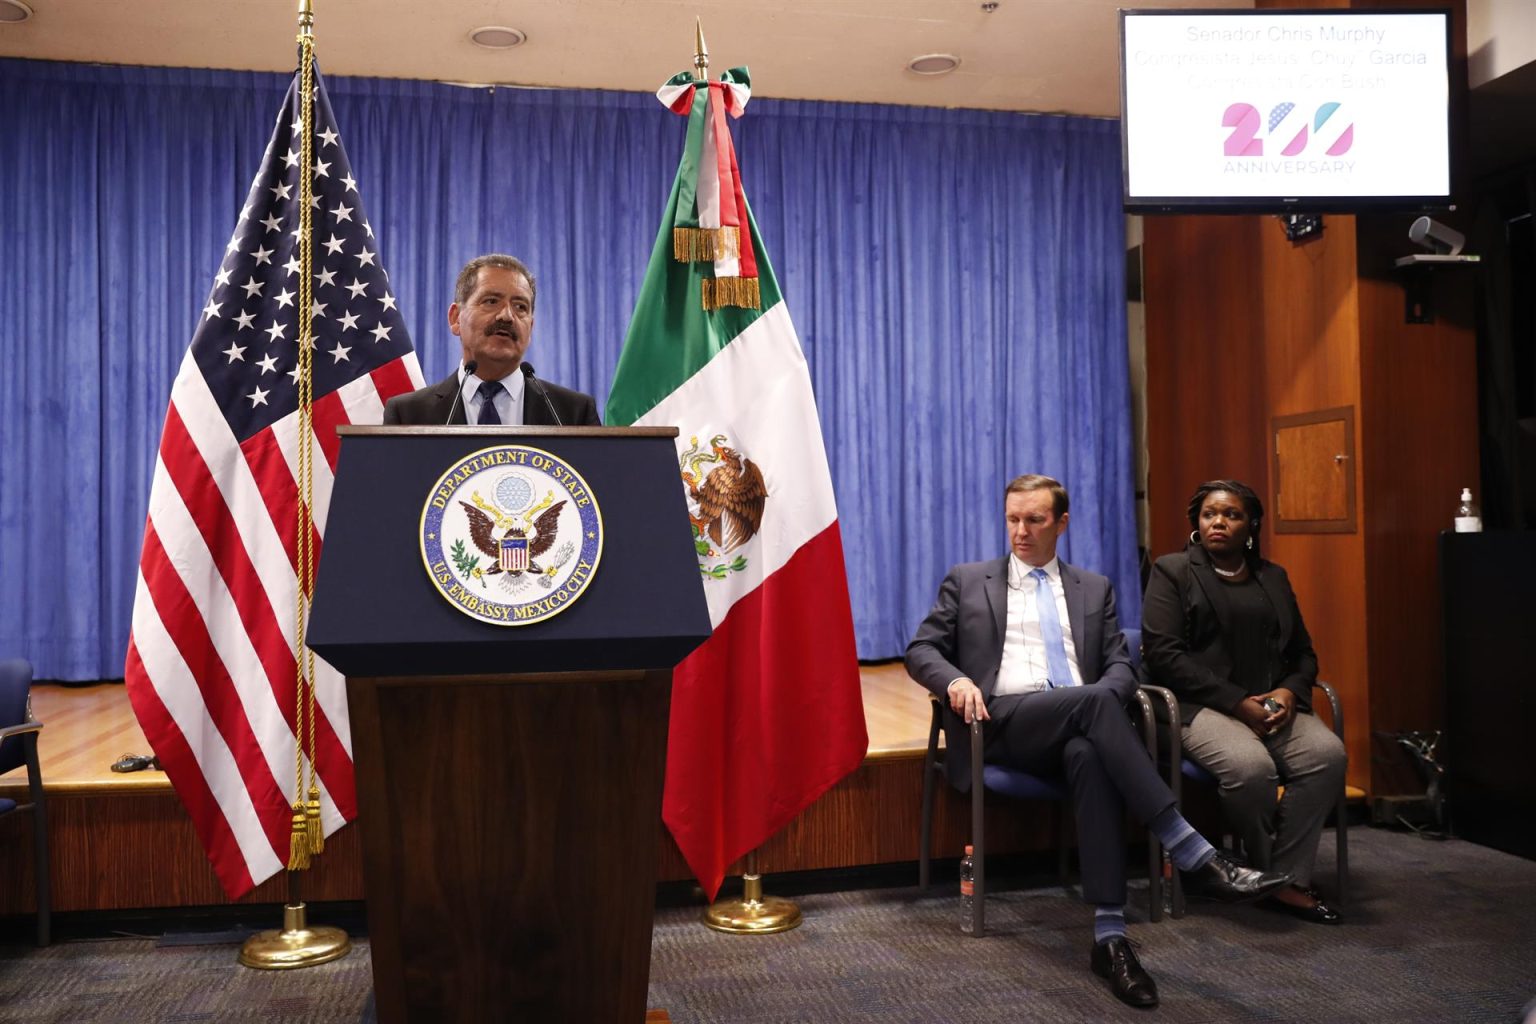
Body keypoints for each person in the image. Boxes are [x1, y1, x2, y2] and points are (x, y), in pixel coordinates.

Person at [906, 474, 1291, 1009]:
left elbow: (1117, 665)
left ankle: (1110, 939)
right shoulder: (969, 581)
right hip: (999, 723)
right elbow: (922, 648)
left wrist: (1103, 699)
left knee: (1090, 743)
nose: (1020, 531)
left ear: (1061, 523)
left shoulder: (1093, 587)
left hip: (1080, 725)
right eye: (1013, 519)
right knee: (1094, 705)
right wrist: (956, 680)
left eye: (1035, 520)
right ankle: (1189, 847)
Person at [1141, 479, 1347, 925]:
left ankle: (1282, 880)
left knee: (1327, 756)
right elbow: (1164, 657)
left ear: (1251, 524)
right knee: (1252, 770)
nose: (1219, 522)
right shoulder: (1173, 571)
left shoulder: (1272, 577)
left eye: (1231, 514)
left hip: (1271, 704)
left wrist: (1290, 691)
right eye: (1210, 513)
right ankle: (1261, 872)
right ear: (1196, 522)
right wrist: (1238, 703)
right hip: (1198, 705)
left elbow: (1304, 652)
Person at [383, 254, 601, 426]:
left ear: (531, 327)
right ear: (456, 318)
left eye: (520, 307)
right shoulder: (409, 415)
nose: (506, 315)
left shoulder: (572, 414)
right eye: (491, 301)